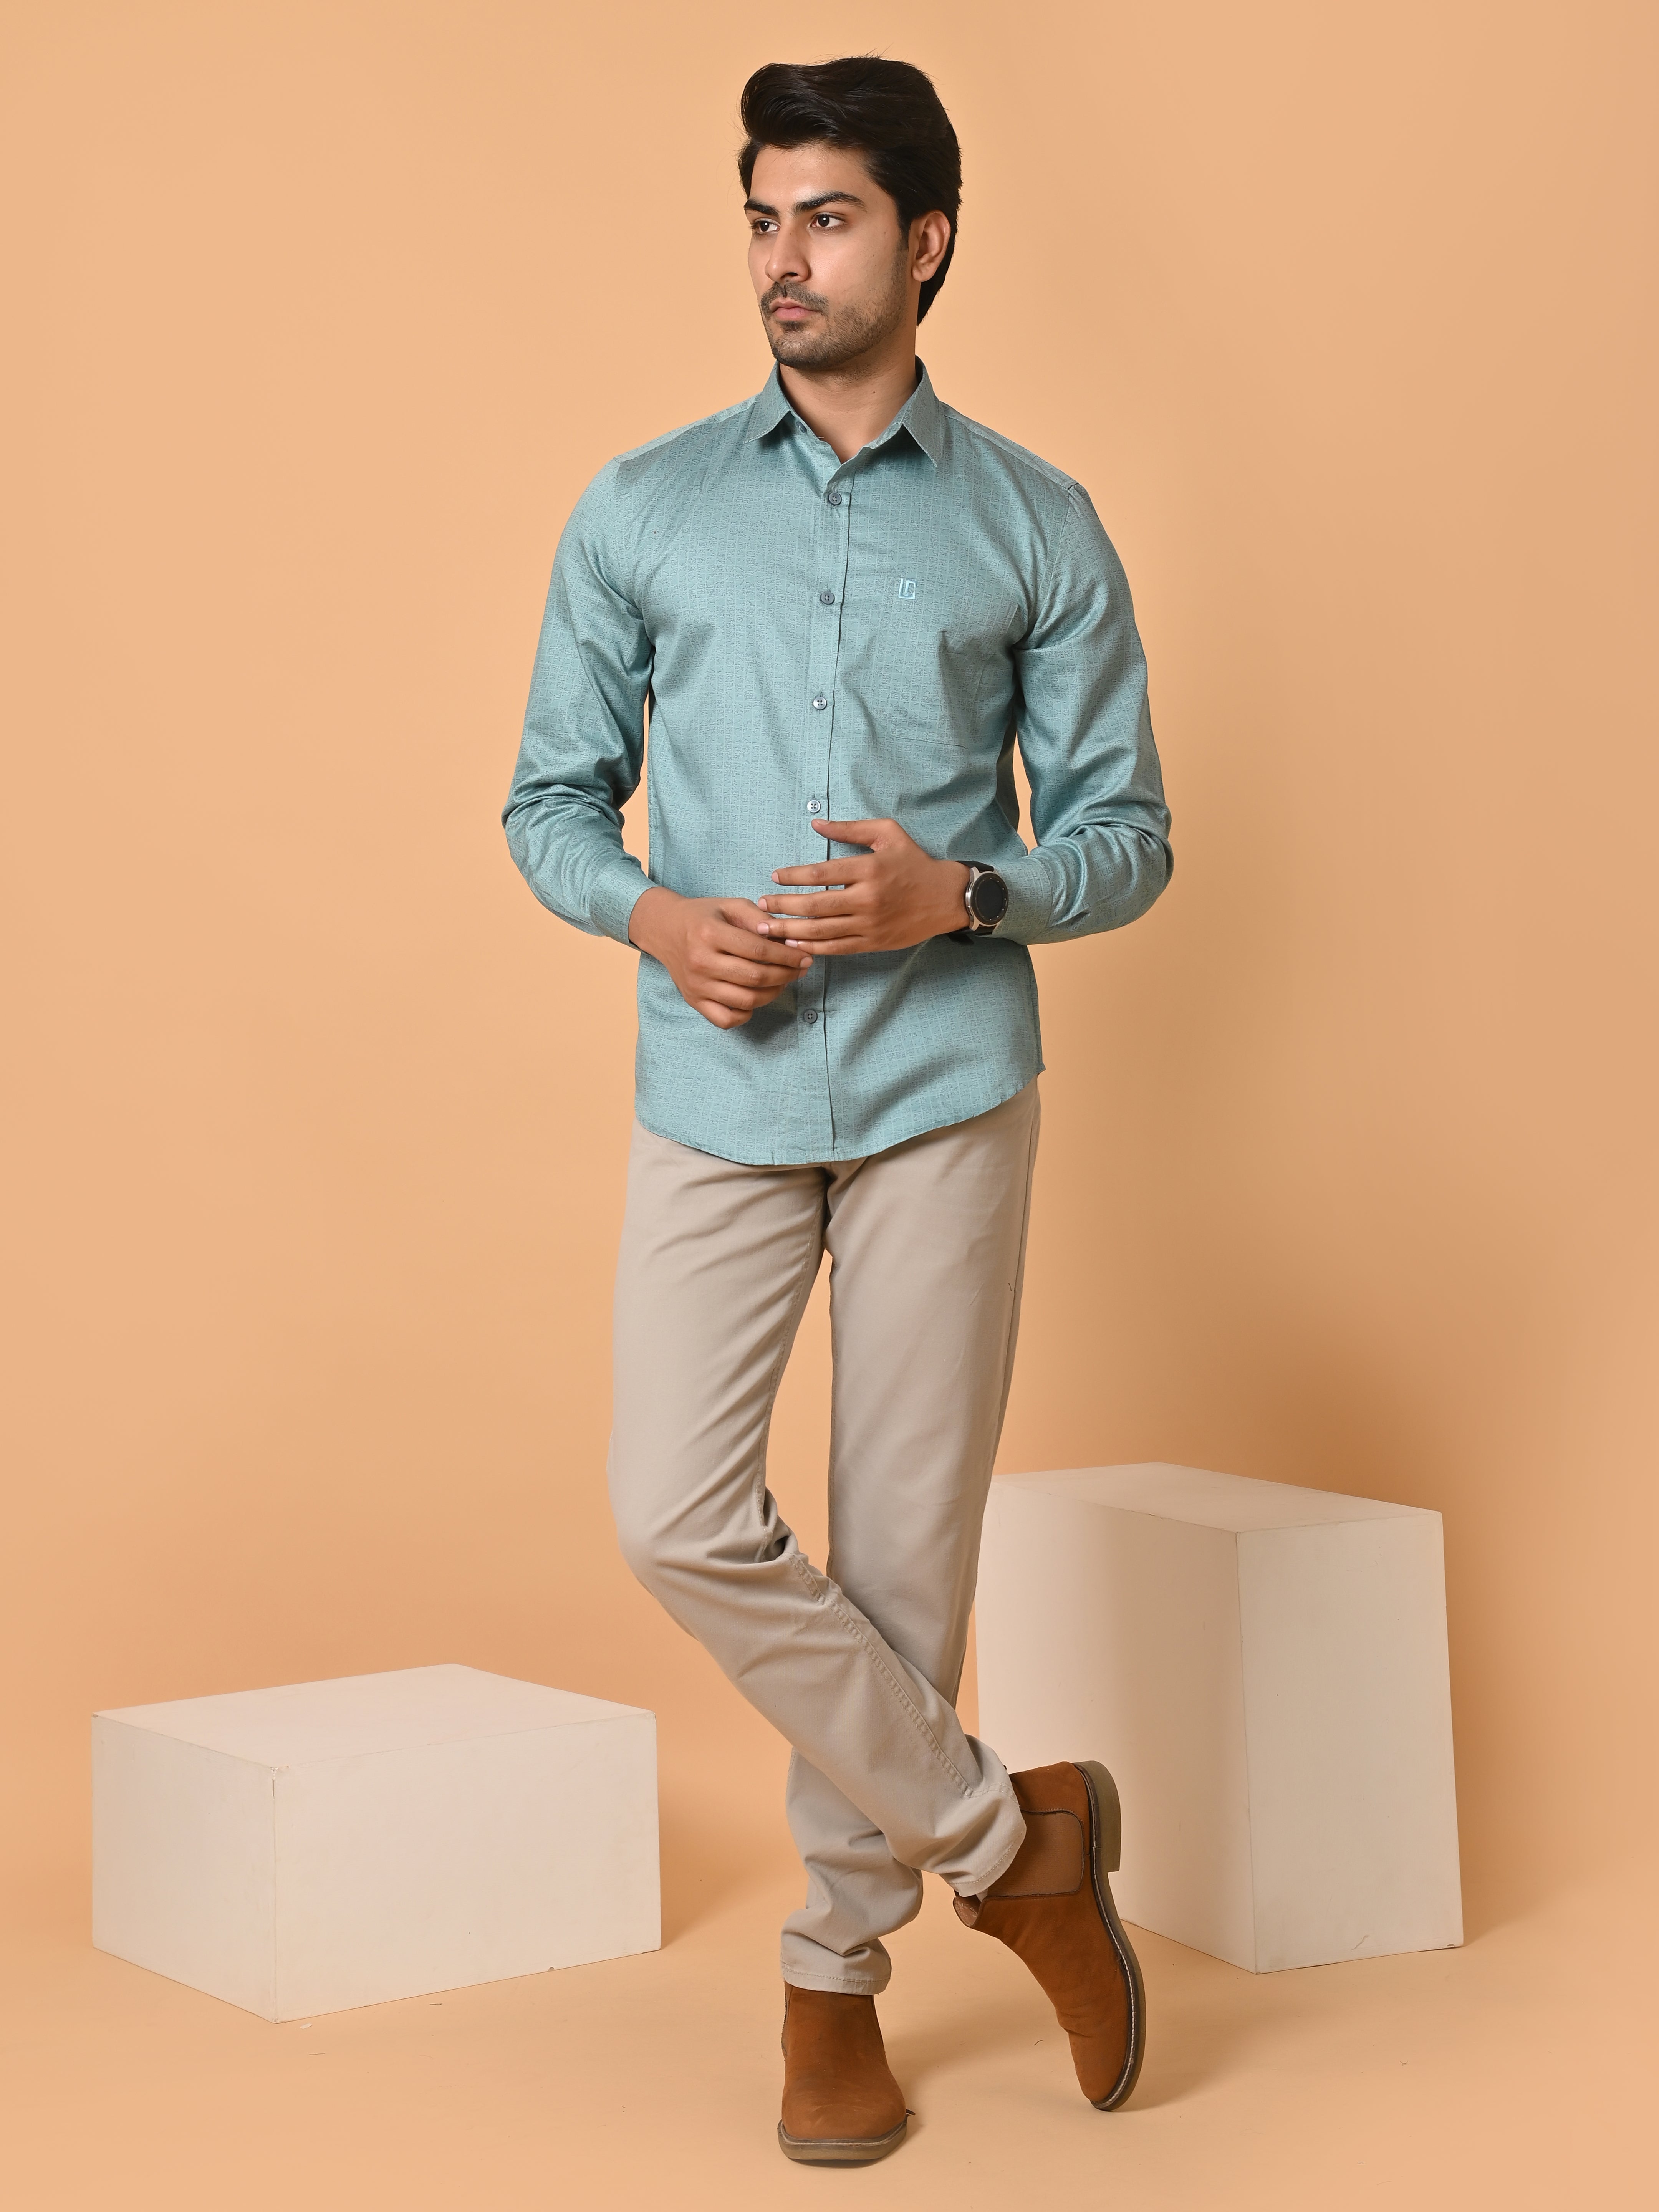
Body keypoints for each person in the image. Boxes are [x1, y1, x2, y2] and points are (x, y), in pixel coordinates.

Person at [504, 55, 1171, 2165]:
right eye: (763, 220)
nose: (783, 261)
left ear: (926, 242)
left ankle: (832, 1982)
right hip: (714, 1086)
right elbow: (545, 801)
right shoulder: (644, 507)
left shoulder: (1036, 521)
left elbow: (1131, 837)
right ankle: (1010, 1844)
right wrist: (653, 916)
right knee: (676, 1512)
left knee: (900, 1562)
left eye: (829, 219)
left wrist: (960, 896)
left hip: (945, 1091)